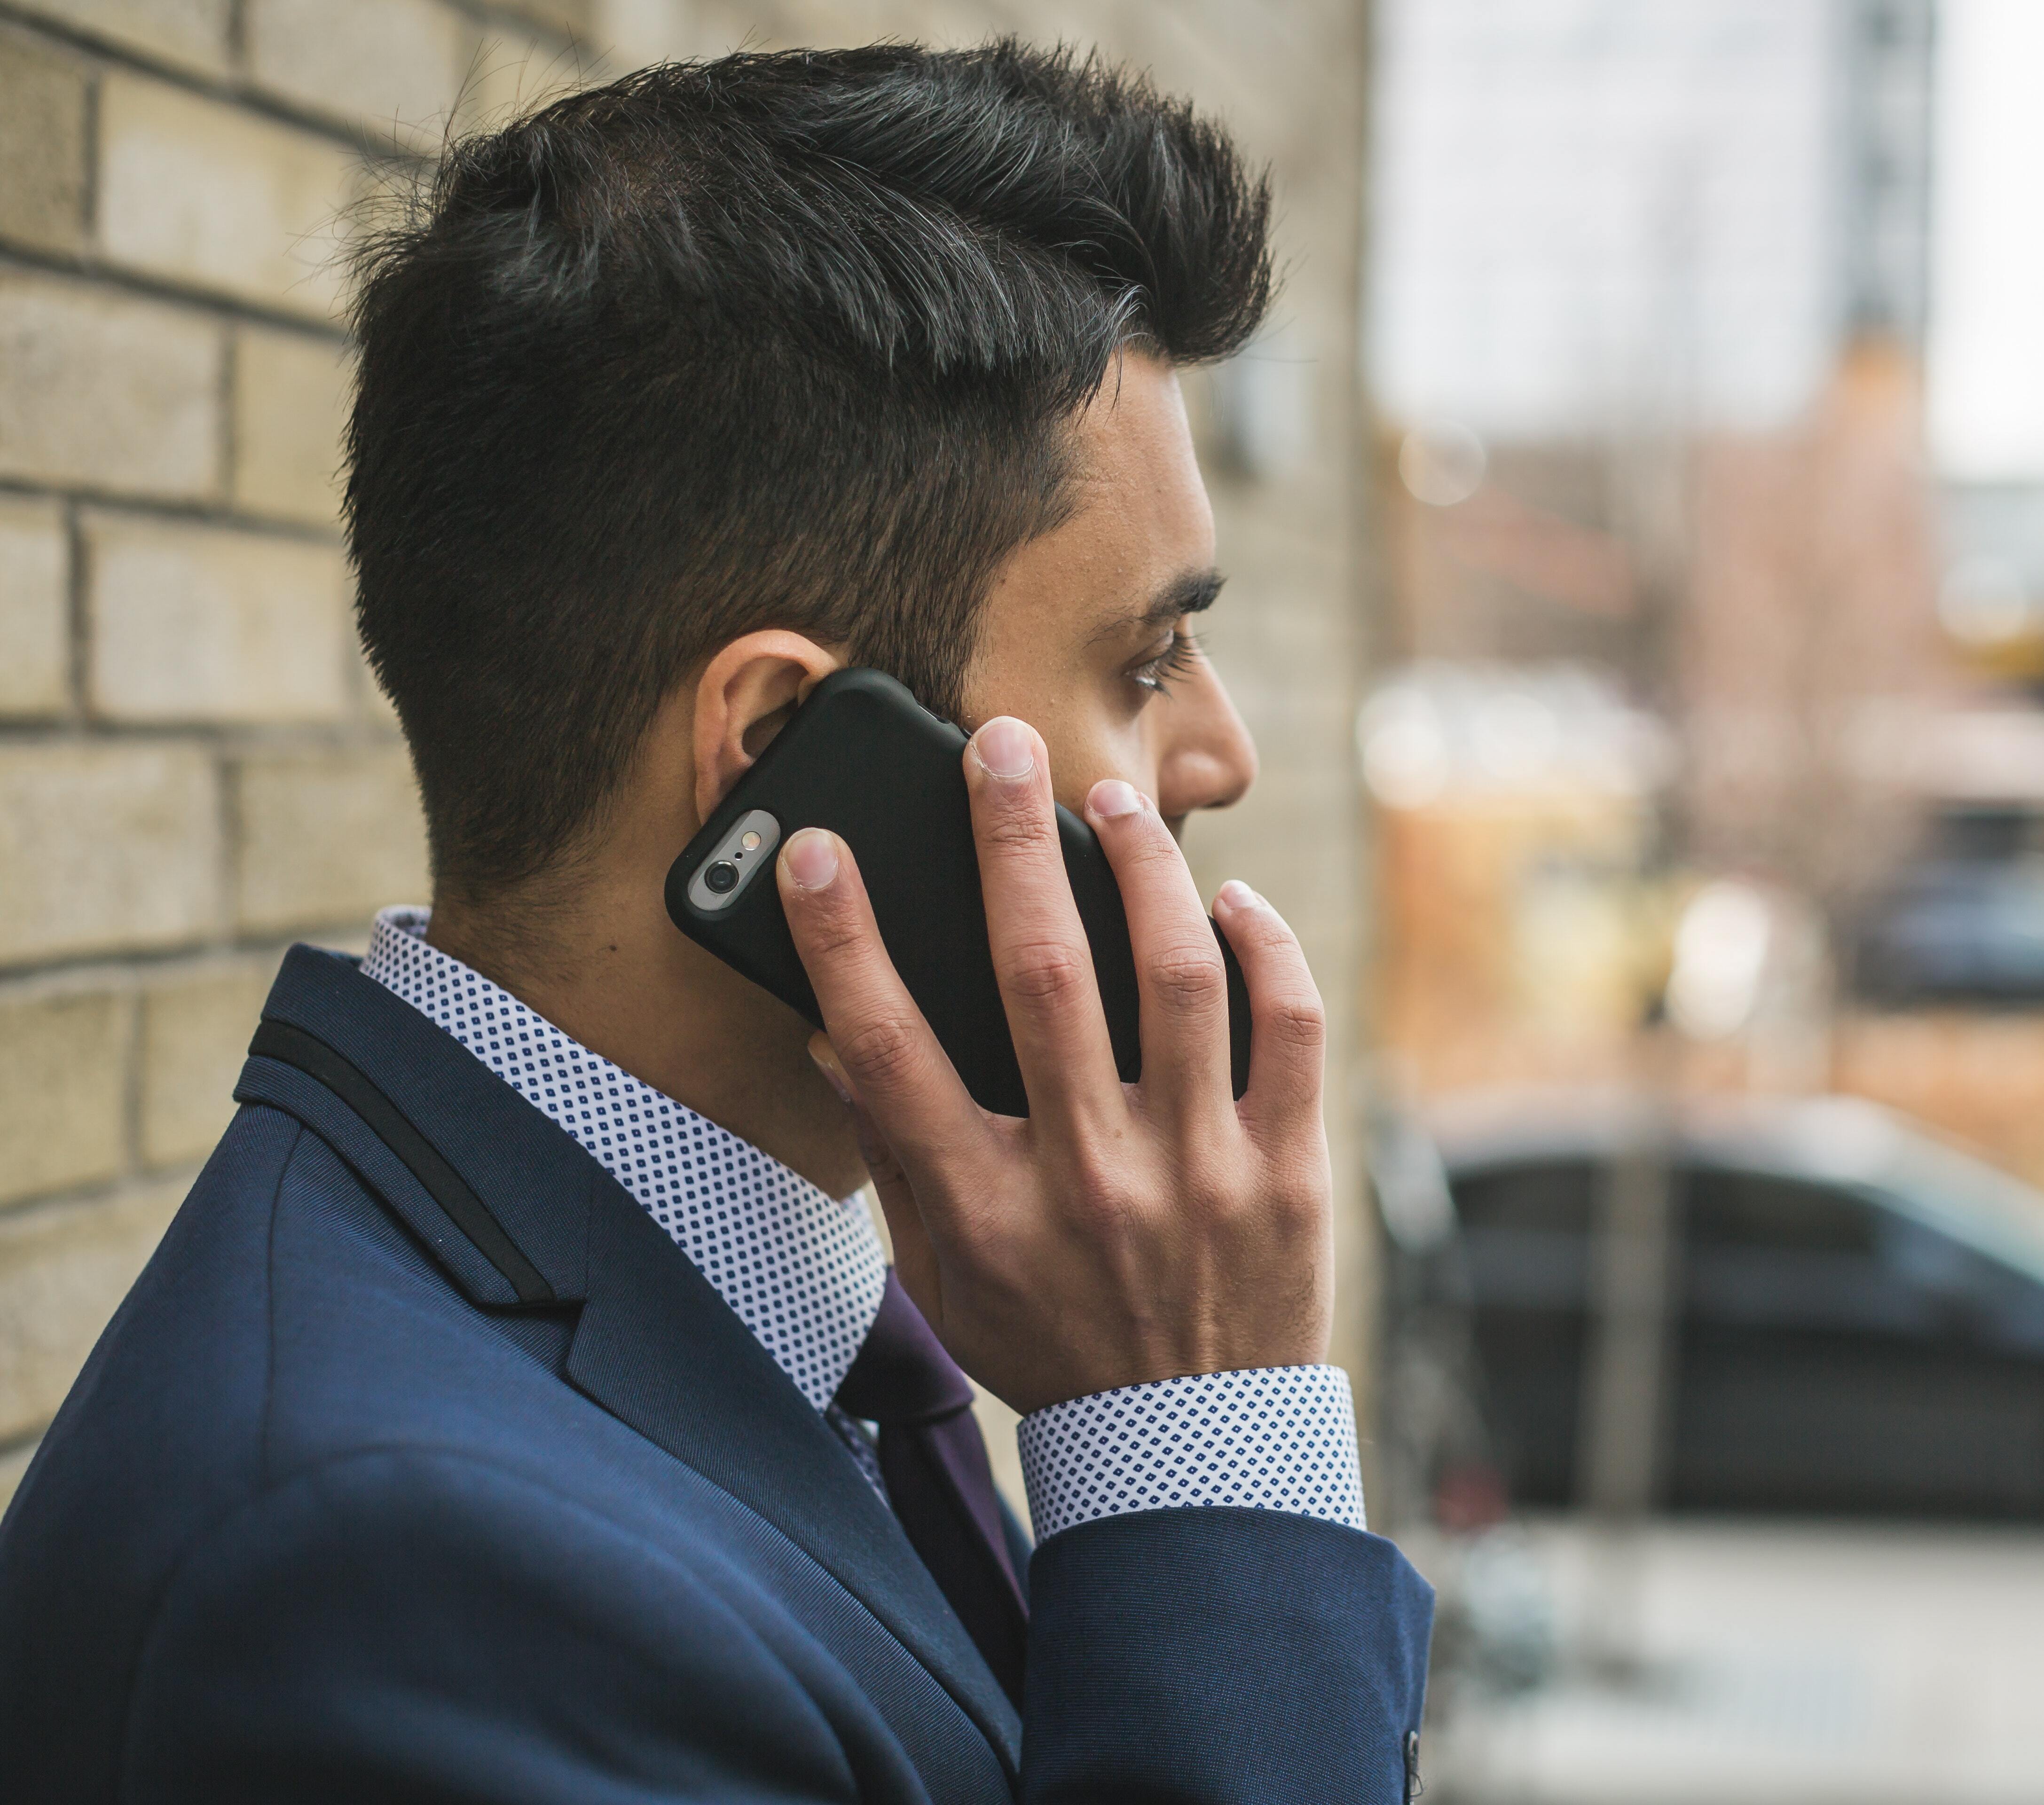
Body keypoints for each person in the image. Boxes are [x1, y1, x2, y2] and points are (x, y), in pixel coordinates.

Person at [0, 42, 1431, 1803]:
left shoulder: (810, 1304)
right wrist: (1201, 1451)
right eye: (1143, 661)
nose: (1221, 750)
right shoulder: (392, 1580)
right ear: (778, 761)